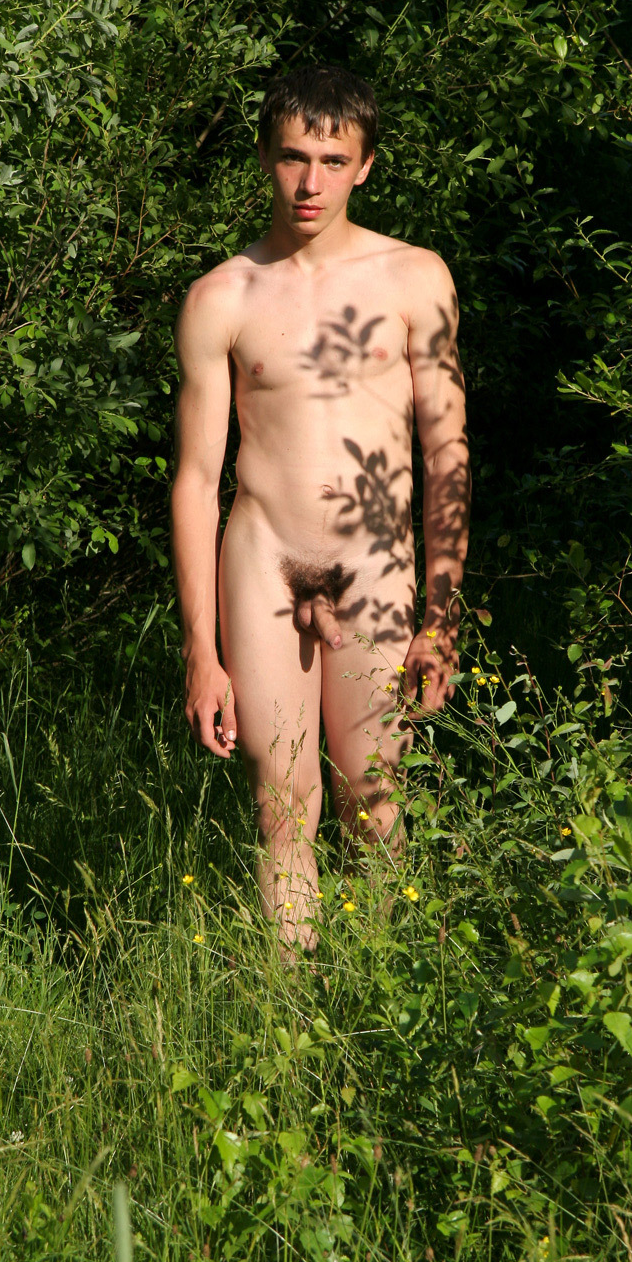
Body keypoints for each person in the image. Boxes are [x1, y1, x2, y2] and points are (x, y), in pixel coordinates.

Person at [170, 64, 469, 957]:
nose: (311, 182)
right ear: (266, 157)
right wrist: (201, 652)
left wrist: (441, 619)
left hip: (375, 562)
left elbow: (447, 455)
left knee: (372, 799)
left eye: (333, 161)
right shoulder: (223, 295)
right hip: (264, 559)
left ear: (365, 166)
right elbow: (196, 479)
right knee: (283, 801)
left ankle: (375, 996)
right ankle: (286, 1015)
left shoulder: (414, 279)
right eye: (294, 157)